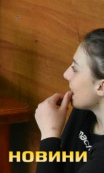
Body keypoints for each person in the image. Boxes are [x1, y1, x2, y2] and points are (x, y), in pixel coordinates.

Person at [35, 28, 104, 173]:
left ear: (101, 86)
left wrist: (50, 133)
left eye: (75, 68)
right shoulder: (85, 110)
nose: (66, 74)